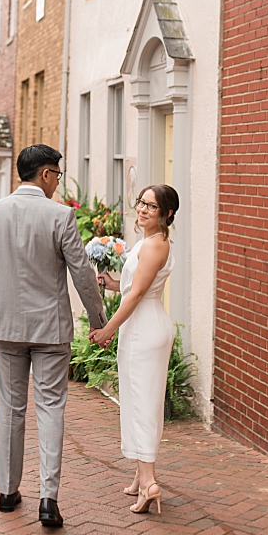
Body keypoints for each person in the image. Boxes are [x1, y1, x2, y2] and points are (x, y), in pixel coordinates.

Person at [0, 143, 105, 528]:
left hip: (6, 327)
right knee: (50, 408)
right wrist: (98, 320)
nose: (58, 183)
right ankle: (49, 499)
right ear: (45, 174)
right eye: (57, 175)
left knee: (10, 409)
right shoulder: (60, 217)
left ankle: (7, 492)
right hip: (50, 328)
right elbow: (81, 273)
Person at [90, 184, 177, 515]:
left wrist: (107, 330)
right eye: (141, 203)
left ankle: (150, 481)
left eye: (151, 207)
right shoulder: (147, 242)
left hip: (145, 329)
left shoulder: (156, 245)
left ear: (167, 214)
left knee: (144, 404)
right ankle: (140, 476)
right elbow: (133, 286)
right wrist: (112, 284)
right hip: (138, 327)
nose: (142, 209)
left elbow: (138, 294)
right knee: (135, 400)